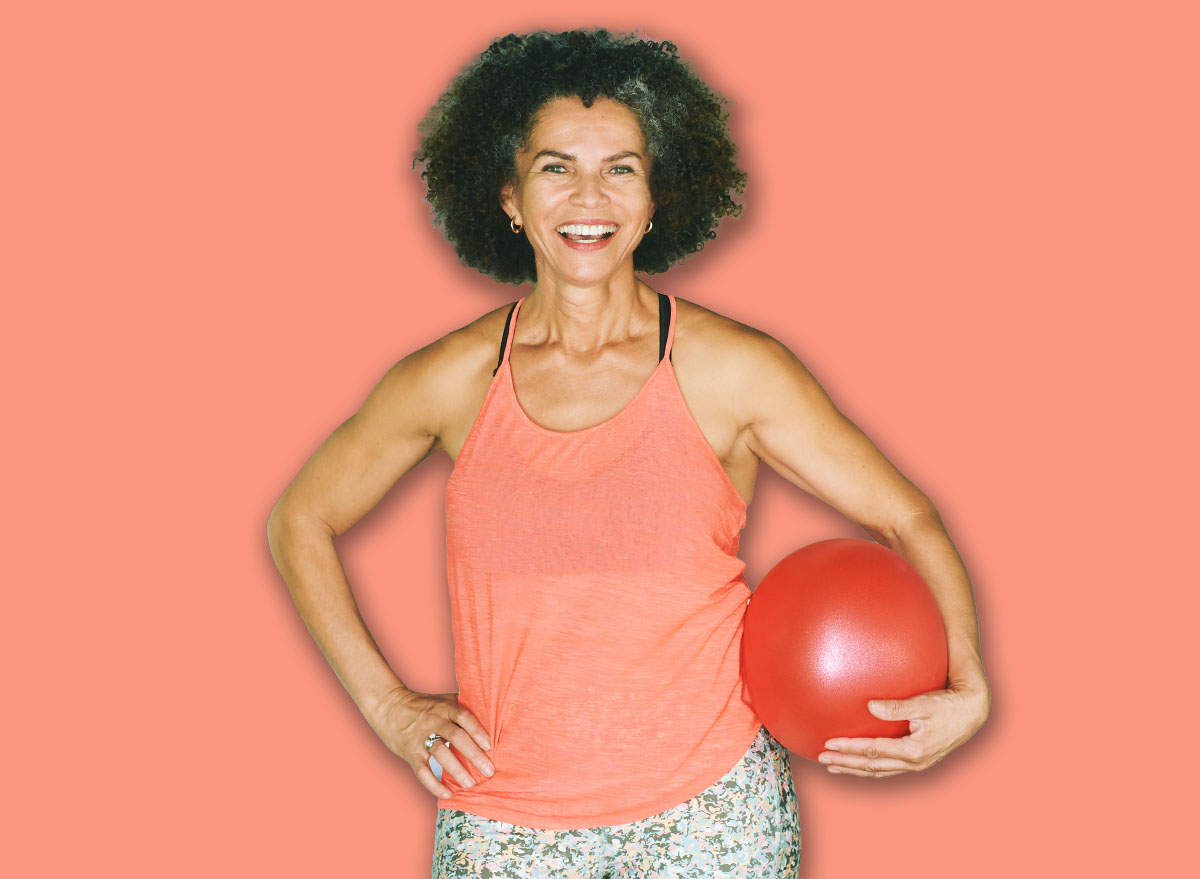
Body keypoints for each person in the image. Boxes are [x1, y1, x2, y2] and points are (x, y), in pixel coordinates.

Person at [267, 29, 989, 878]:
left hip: (715, 815)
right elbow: (299, 518)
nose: (589, 197)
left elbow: (905, 514)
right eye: (555, 166)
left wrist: (969, 684)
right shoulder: (451, 380)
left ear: (654, 198)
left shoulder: (733, 370)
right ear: (508, 195)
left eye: (621, 167)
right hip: (508, 824)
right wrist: (390, 708)